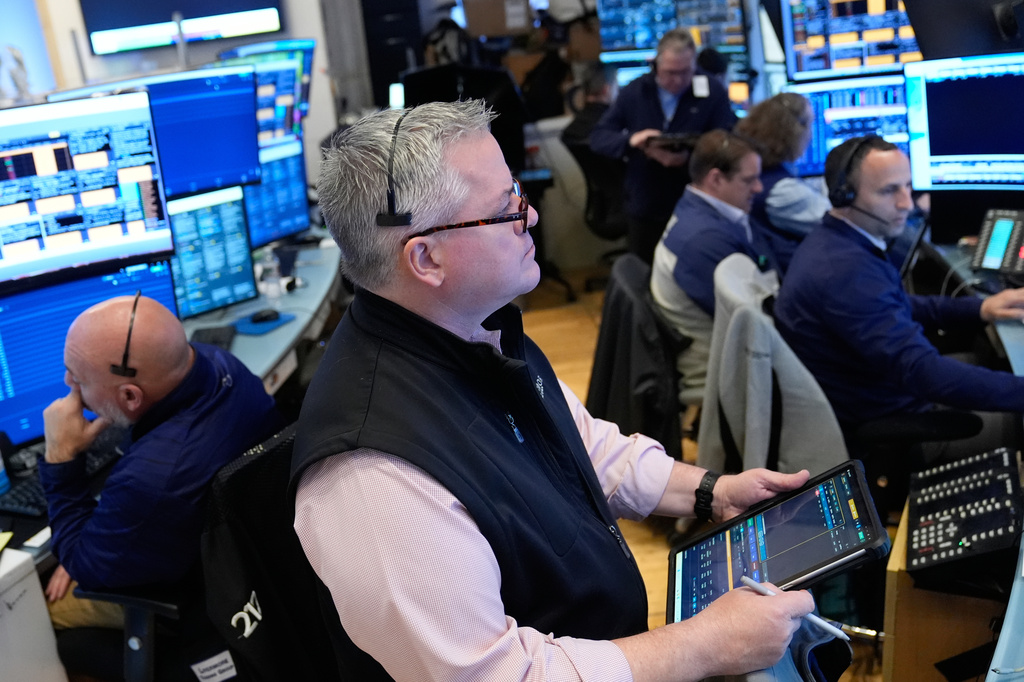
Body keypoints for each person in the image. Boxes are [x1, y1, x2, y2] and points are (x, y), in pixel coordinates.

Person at [291, 99, 816, 681]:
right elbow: (502, 676)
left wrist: (713, 491)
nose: (532, 217)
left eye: (517, 193)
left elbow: (582, 446)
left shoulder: (471, 328)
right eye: (503, 211)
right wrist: (704, 645)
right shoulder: (372, 474)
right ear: (426, 258)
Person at [40, 294, 283, 678]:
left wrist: (61, 458)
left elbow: (86, 567)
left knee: (42, 608)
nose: (68, 384)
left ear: (131, 396)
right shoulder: (218, 364)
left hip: (196, 599)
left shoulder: (152, 482)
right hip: (249, 563)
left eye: (78, 379)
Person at [775, 135, 1024, 463]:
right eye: (889, 190)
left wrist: (980, 307)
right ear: (844, 195)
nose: (907, 203)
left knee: (983, 361)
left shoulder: (837, 243)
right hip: (891, 422)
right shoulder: (845, 271)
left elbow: (898, 304)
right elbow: (924, 373)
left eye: (908, 186)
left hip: (877, 392)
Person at [649, 129, 781, 409]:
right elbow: (758, 323)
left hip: (740, 349)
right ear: (716, 179)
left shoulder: (713, 213)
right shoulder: (703, 240)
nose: (758, 188)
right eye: (749, 180)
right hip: (726, 366)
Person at [590, 28, 737, 264]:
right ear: (656, 63)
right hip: (647, 201)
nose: (678, 80)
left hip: (698, 201)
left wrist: (689, 157)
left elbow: (727, 142)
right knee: (644, 276)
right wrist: (633, 140)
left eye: (685, 72)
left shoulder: (712, 91)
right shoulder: (635, 91)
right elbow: (599, 137)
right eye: (670, 72)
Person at [734, 92, 831, 270]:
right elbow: (842, 223)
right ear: (795, 132)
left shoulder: (762, 172)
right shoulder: (781, 192)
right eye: (810, 124)